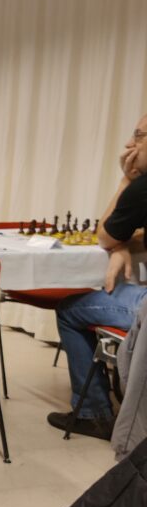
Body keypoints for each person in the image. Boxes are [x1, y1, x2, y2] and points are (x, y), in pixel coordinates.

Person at [48, 112, 147, 440]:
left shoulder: (141, 187)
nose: (129, 144)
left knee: (69, 309)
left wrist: (126, 180)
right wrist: (124, 244)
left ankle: (93, 413)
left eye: (138, 136)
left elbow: (105, 236)